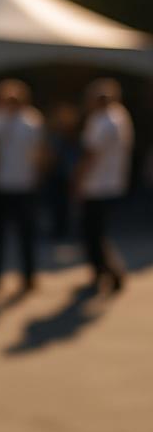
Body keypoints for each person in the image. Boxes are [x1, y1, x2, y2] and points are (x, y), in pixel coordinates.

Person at [0, 79, 45, 292]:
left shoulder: (30, 120)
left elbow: (37, 152)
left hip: (21, 184)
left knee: (24, 235)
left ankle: (27, 276)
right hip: (3, 184)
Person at [74, 78, 133, 292]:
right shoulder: (120, 116)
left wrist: (78, 181)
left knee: (93, 233)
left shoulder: (100, 121)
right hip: (112, 182)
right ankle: (108, 272)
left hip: (96, 184)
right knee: (98, 231)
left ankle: (106, 273)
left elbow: (91, 155)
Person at [43, 102, 81, 242]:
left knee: (67, 204)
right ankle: (59, 228)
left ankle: (66, 228)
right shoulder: (54, 135)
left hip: (68, 174)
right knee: (56, 204)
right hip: (56, 175)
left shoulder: (74, 137)